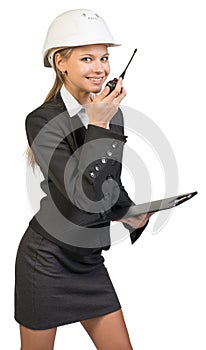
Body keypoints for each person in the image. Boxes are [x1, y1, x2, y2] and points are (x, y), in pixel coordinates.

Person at [15, 9, 154, 350]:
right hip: (46, 259)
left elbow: (107, 184)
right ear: (61, 62)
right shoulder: (41, 120)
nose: (100, 68)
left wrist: (128, 211)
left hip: (88, 260)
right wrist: (98, 126)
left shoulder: (109, 114)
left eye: (105, 58)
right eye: (87, 58)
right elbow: (78, 194)